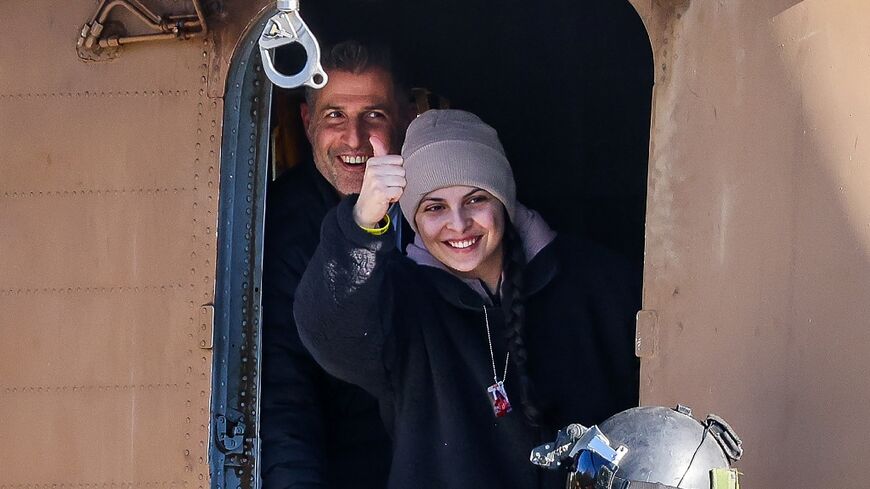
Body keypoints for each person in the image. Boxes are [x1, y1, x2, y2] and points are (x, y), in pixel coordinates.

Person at [294, 109, 640, 489]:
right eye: (434, 207)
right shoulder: (399, 298)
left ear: (503, 200)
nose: (458, 225)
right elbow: (331, 336)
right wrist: (362, 222)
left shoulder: (595, 280)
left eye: (475, 200)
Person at [260, 40, 412, 489]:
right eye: (335, 116)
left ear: (402, 117)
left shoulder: (441, 209)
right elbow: (282, 390)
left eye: (374, 115)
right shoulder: (280, 226)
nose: (354, 139)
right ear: (307, 122)